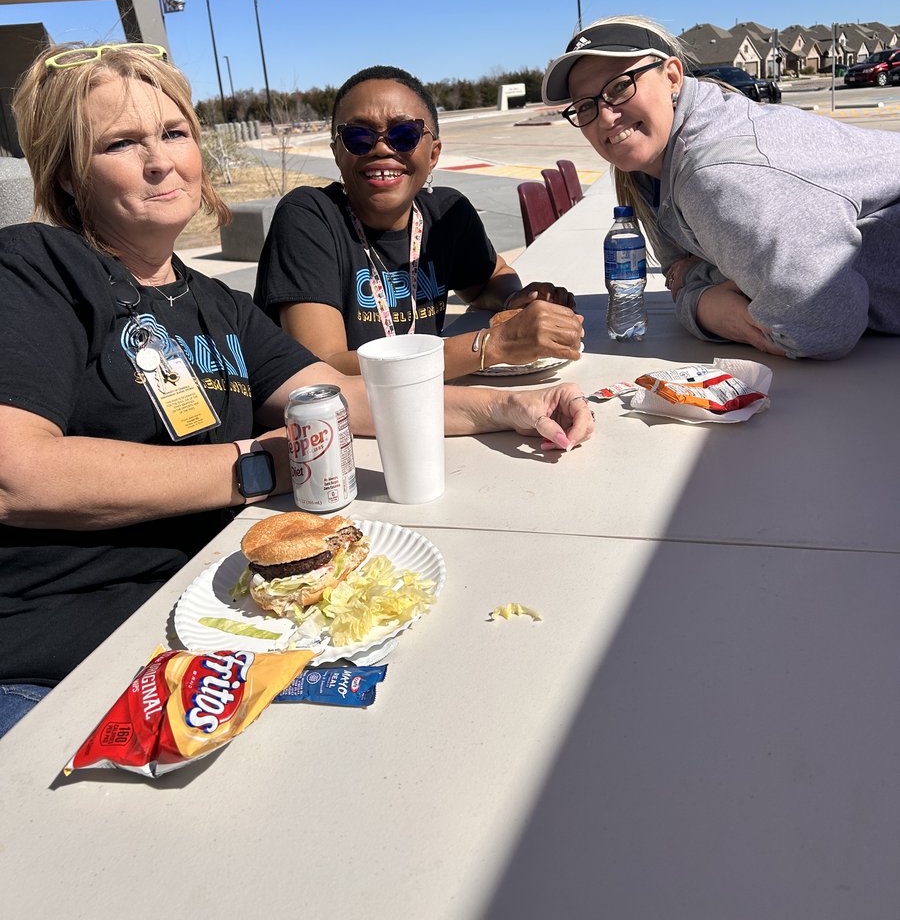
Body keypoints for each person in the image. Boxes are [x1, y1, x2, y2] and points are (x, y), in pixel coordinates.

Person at [0, 43, 593, 737]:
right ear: (70, 176)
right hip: (60, 671)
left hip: (212, 635)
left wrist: (508, 406)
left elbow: (344, 397)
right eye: (121, 143)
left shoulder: (214, 305)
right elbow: (17, 472)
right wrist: (259, 463)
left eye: (174, 133)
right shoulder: (36, 268)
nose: (160, 160)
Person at [541, 16, 900, 360]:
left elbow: (822, 325)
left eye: (620, 86)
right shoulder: (648, 166)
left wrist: (705, 298)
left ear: (672, 76)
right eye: (586, 105)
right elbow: (675, 271)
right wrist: (704, 301)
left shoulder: (716, 176)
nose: (605, 116)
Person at [253, 65, 583, 378]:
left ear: (433, 153)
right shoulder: (308, 217)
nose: (381, 148)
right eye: (358, 137)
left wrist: (515, 300)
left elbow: (491, 278)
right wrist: (495, 344)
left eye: (404, 134)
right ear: (337, 151)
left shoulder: (446, 215)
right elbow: (324, 369)